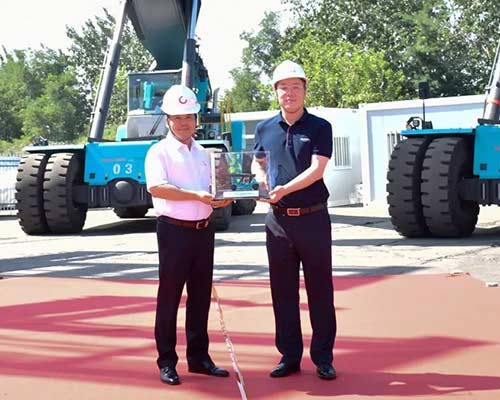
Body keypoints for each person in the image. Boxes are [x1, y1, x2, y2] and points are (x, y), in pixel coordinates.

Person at [252, 60, 337, 380]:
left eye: (295, 87)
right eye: (283, 88)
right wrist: (260, 179)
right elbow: (258, 163)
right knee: (282, 291)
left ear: (305, 90)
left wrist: (284, 189)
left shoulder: (320, 127)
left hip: (313, 219)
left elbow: (317, 169)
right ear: (276, 92)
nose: (290, 93)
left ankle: (323, 357)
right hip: (277, 222)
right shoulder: (264, 128)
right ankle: (289, 356)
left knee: (320, 290)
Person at [145, 84, 231, 385]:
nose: (183, 123)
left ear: (196, 119)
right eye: (177, 117)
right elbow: (157, 188)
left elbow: (215, 189)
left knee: (200, 296)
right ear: (168, 120)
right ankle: (167, 361)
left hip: (203, 231)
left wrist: (223, 198)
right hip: (174, 232)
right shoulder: (159, 152)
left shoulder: (204, 153)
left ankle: (199, 357)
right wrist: (196, 195)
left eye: (189, 117)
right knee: (169, 298)